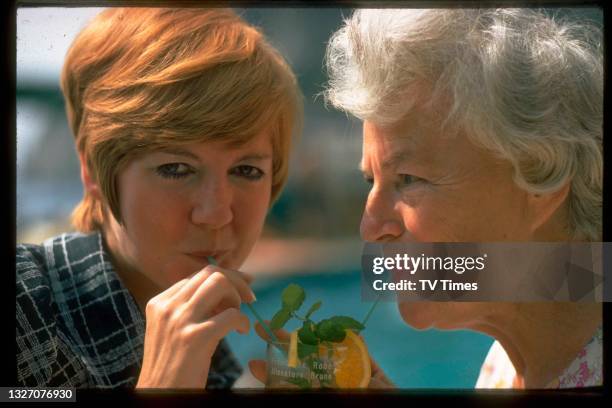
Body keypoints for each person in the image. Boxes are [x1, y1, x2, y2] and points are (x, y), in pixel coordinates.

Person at [250, 8, 602, 389]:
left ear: (541, 181)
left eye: (408, 179)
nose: (370, 228)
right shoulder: (515, 365)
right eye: (371, 179)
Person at [16, 8, 302, 389]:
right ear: (94, 172)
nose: (216, 213)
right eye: (176, 169)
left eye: (246, 171)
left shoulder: (217, 365)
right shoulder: (23, 306)